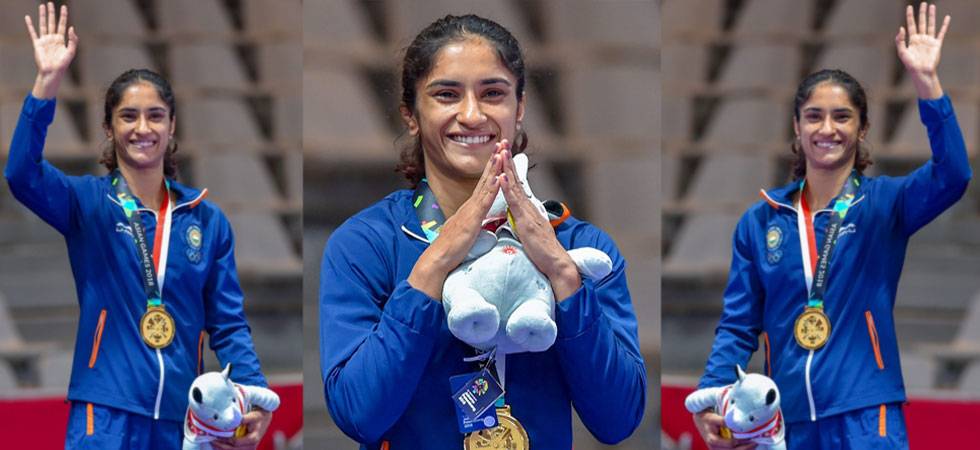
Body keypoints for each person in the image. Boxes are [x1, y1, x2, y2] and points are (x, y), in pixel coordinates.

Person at [319, 14, 647, 449]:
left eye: (493, 93)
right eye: (446, 94)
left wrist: (564, 277)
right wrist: (436, 262)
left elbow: (618, 419)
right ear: (411, 114)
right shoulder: (365, 245)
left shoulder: (580, 247)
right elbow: (359, 414)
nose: (471, 115)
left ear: (520, 106)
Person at [691, 3, 970, 449]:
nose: (827, 128)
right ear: (797, 127)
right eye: (814, 116)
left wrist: (927, 84)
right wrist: (712, 397)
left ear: (862, 130)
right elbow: (739, 324)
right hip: (789, 420)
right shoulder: (760, 221)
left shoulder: (883, 204)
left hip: (866, 412)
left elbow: (953, 175)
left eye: (842, 116)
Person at [4, 4, 274, 449]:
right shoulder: (87, 203)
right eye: (128, 116)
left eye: (155, 115)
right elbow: (20, 174)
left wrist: (253, 396)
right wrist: (46, 83)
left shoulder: (206, 220)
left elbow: (227, 324)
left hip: (179, 420)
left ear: (172, 127)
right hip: (105, 412)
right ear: (109, 129)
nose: (142, 127)